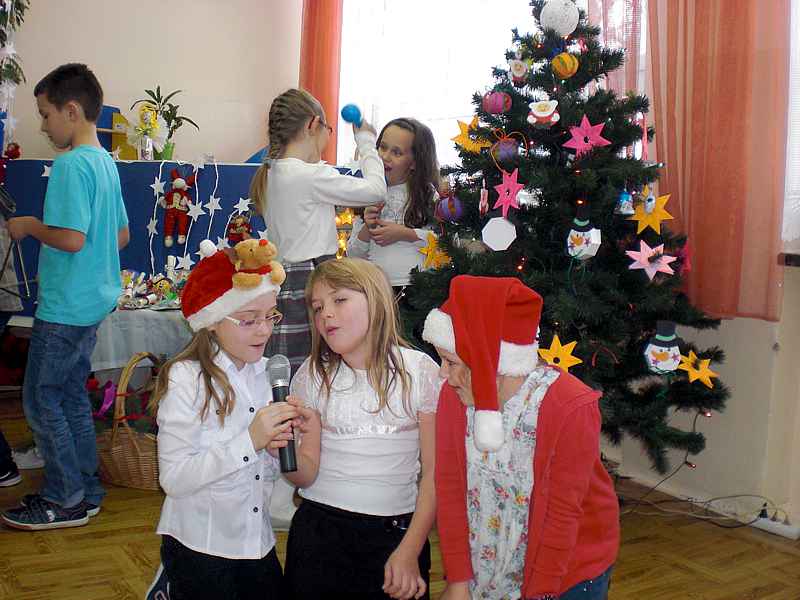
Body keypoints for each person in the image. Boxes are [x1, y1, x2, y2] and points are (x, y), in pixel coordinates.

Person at [422, 276, 620, 600]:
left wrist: (542, 592)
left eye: (451, 362)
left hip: (566, 572)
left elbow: (562, 515)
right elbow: (450, 488)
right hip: (488, 560)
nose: (443, 373)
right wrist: (458, 578)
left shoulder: (569, 406)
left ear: (486, 359)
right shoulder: (453, 396)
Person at [149, 239, 321, 600]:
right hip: (201, 549)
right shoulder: (187, 379)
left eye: (270, 316)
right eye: (248, 320)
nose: (264, 330)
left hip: (256, 543)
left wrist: (278, 449)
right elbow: (174, 479)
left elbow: (262, 474)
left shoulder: (268, 373)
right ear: (213, 321)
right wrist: (250, 440)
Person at [2, 63, 130, 530]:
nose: (42, 126)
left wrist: (31, 226)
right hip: (91, 304)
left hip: (65, 307)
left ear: (71, 111)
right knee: (71, 395)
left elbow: (72, 239)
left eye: (45, 114)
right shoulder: (105, 163)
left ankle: (64, 496)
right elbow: (120, 236)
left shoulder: (72, 165)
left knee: (42, 400)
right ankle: (85, 489)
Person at [284, 258, 440, 600]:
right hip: (318, 536)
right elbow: (304, 476)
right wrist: (284, 451)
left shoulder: (419, 372)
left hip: (395, 538)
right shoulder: (312, 376)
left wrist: (409, 550)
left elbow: (435, 473)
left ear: (376, 300)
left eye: (339, 300)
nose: (326, 314)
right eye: (317, 307)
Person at [249, 88, 387, 378]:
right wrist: (366, 141)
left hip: (283, 280)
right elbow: (376, 190)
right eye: (328, 130)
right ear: (313, 124)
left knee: (291, 370)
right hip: (312, 279)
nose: (328, 137)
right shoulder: (308, 175)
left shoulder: (273, 172)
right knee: (315, 369)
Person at [347, 118, 440, 291]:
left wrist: (406, 234)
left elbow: (446, 244)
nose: (385, 157)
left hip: (417, 290)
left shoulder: (426, 194)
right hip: (376, 290)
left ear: (414, 162)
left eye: (397, 152)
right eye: (382, 147)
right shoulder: (367, 193)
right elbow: (353, 255)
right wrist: (368, 227)